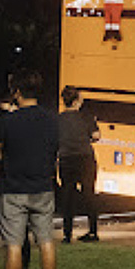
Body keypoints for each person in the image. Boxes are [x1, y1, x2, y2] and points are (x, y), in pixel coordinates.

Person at [0, 69, 59, 269]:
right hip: (42, 187)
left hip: (13, 189)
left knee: (13, 244)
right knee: (46, 241)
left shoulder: (6, 122)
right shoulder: (51, 120)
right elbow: (55, 149)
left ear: (17, 92)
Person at [0, 93, 32, 269]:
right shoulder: (33, 120)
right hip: (34, 185)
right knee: (27, 240)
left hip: (11, 185)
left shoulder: (5, 123)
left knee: (13, 242)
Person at [58, 85, 101, 243]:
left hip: (66, 159)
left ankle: (67, 234)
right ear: (77, 101)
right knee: (89, 193)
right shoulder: (86, 117)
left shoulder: (59, 119)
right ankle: (93, 231)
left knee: (67, 196)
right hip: (85, 158)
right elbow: (96, 135)